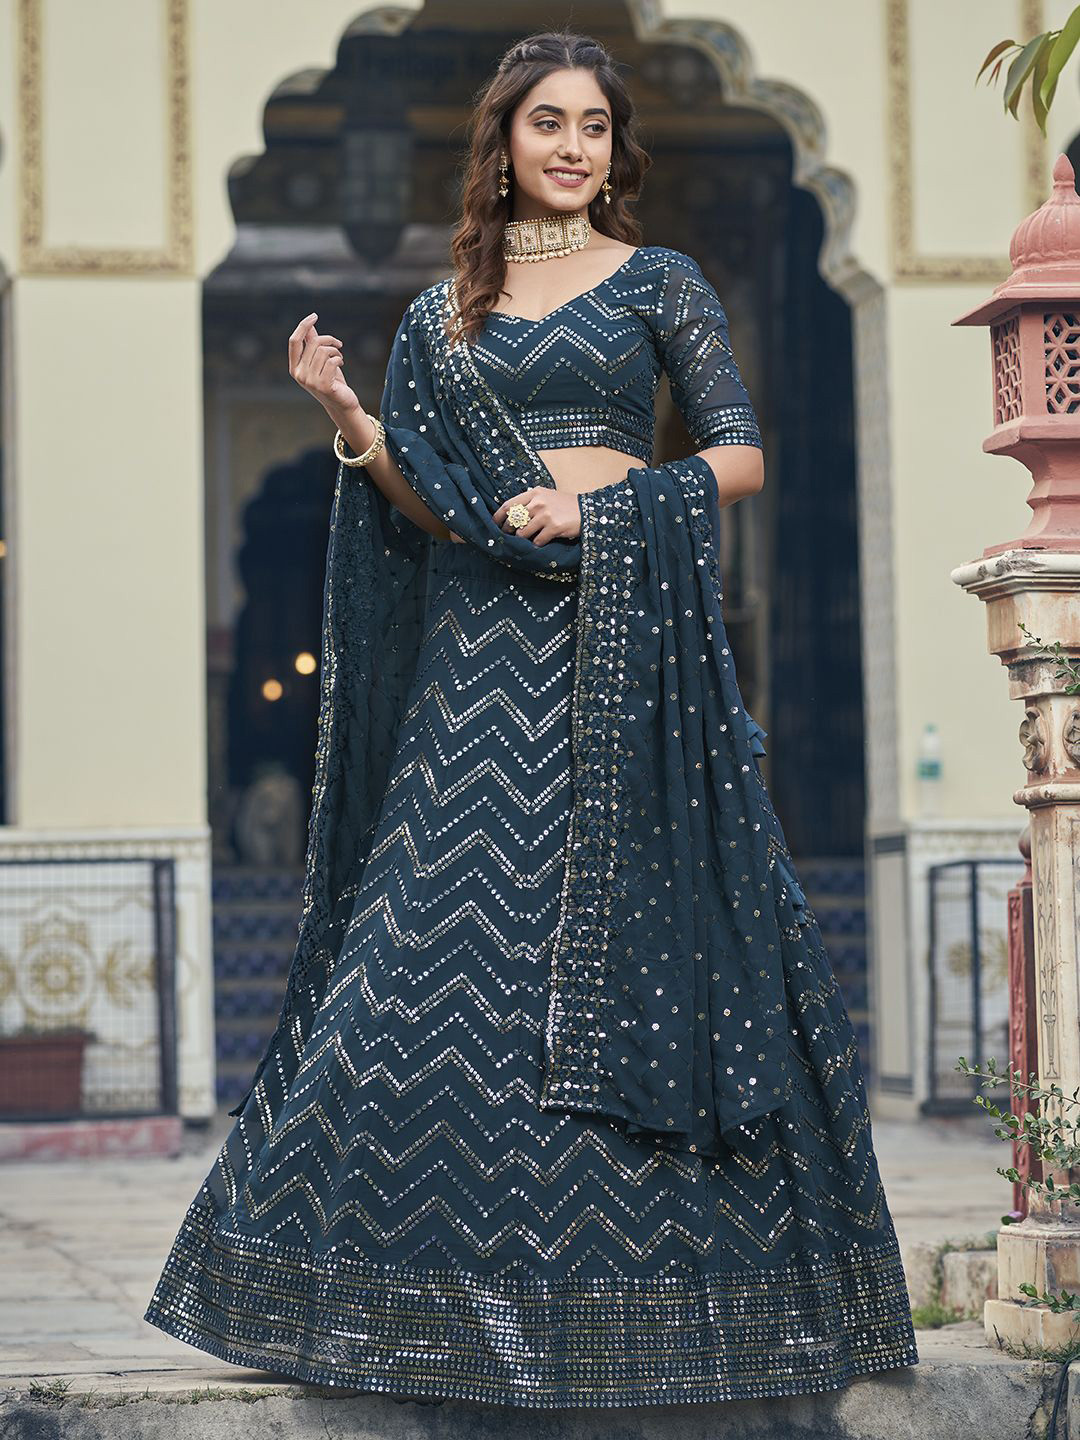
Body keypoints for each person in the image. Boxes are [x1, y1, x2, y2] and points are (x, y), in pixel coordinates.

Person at [143, 29, 919, 1409]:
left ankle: (666, 1309)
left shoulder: (660, 283)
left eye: (594, 126)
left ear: (617, 150)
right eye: (547, 122)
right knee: (422, 951)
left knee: (641, 938)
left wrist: (597, 504)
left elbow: (739, 457)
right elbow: (438, 509)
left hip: (623, 648)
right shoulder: (443, 320)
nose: (572, 146)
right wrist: (349, 417)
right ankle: (402, 1303)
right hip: (478, 661)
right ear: (501, 141)